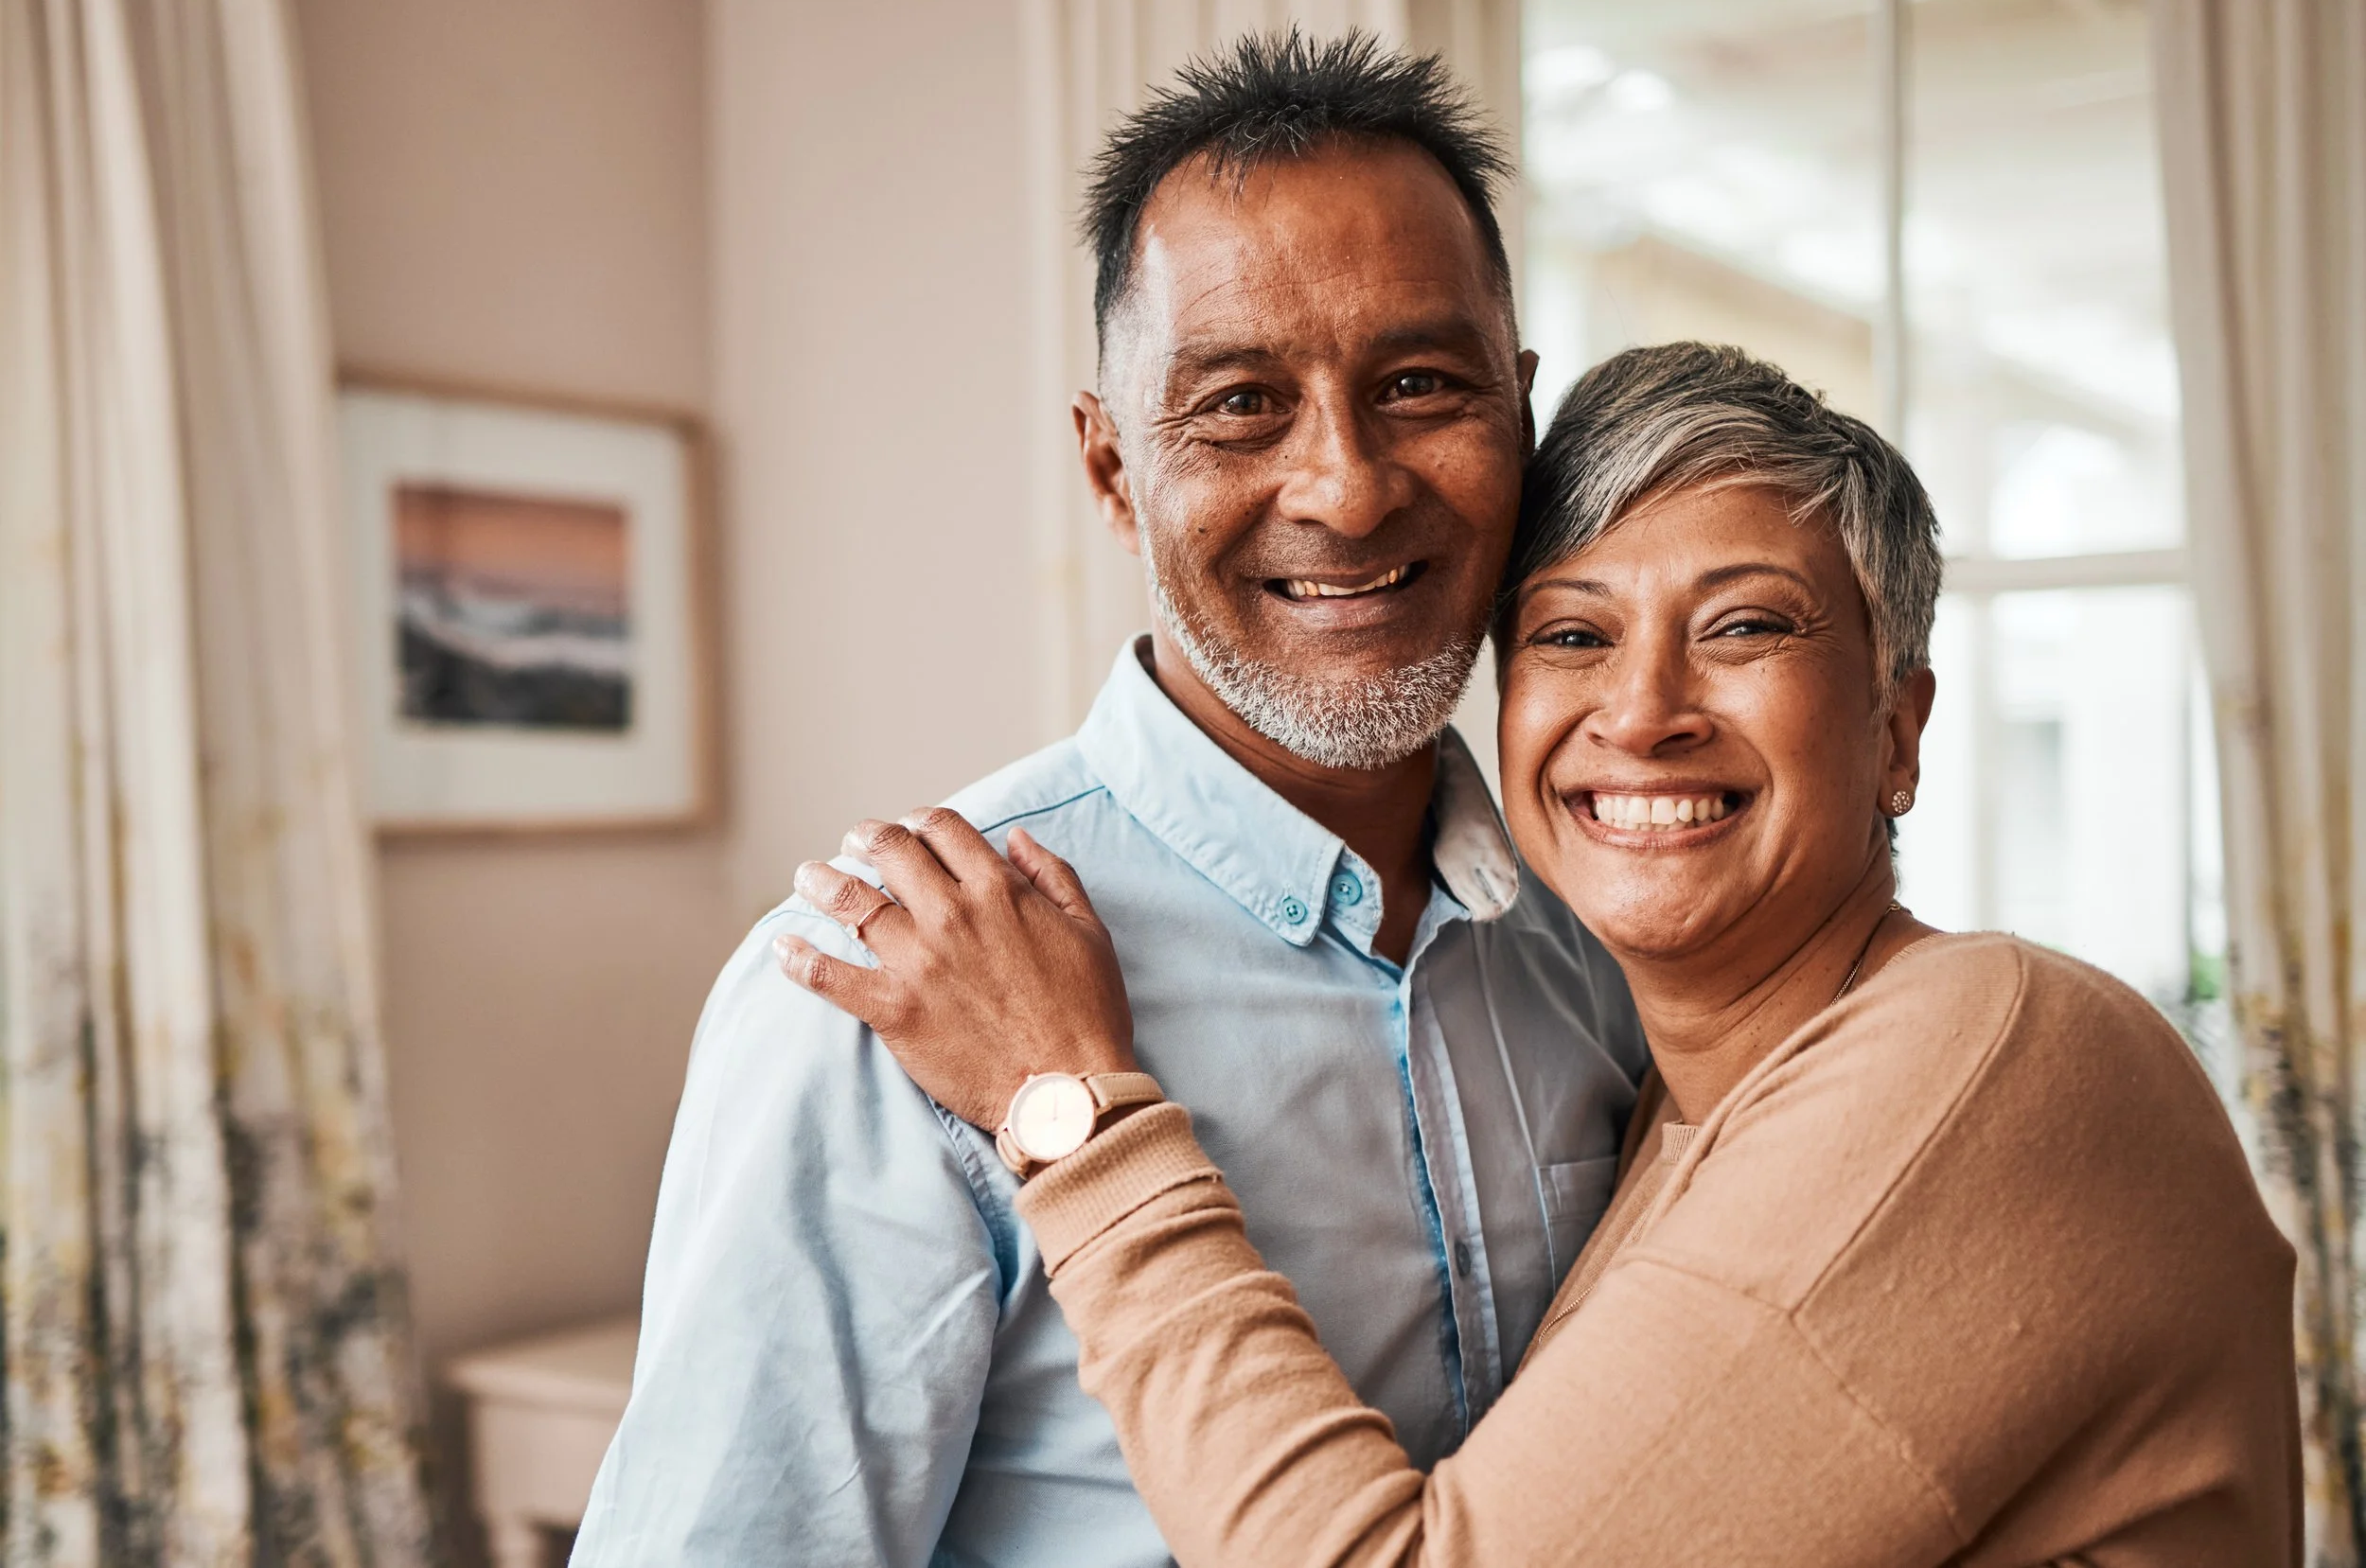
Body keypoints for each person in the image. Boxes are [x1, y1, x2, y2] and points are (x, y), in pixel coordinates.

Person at [784, 342, 2304, 1565]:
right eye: (1572, 635)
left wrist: (1076, 1110)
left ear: (1897, 730)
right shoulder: (1652, 1073)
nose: (1642, 712)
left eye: (1747, 626)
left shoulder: (1994, 1051)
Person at [570, 32, 1646, 1568]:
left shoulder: (1596, 946)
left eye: (1419, 384)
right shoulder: (892, 989)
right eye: (1238, 405)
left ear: (1520, 419)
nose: (1346, 486)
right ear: (1110, 465)